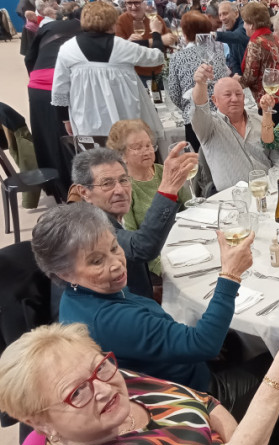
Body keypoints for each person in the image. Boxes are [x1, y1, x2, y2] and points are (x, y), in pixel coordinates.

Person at [29, 201, 279, 445]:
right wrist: (230, 275)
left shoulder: (78, 296)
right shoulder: (107, 319)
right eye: (96, 261)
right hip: (192, 397)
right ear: (64, 273)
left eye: (113, 247)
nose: (116, 264)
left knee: (236, 339)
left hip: (175, 370)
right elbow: (204, 344)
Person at [0, 321, 279, 445]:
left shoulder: (108, 379)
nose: (103, 389)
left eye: (100, 367)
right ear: (39, 422)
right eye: (77, 393)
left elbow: (204, 400)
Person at [69, 146, 196, 300]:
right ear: (84, 192)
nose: (120, 190)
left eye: (123, 180)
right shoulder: (91, 226)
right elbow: (142, 247)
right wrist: (168, 189)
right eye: (107, 184)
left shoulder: (110, 214)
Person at [51, 1, 166, 138]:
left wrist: (66, 120)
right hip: (125, 114)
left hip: (87, 117)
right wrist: (156, 33)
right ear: (113, 23)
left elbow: (60, 90)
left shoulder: (68, 48)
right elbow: (157, 57)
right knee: (127, 151)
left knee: (96, 156)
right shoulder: (122, 46)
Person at [106, 120, 192, 278]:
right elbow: (135, 243)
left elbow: (190, 209)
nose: (146, 151)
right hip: (156, 259)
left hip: (187, 244)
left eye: (148, 145)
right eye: (137, 147)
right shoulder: (124, 189)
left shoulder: (163, 172)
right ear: (122, 155)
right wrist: (163, 271)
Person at [192, 68, 279, 191]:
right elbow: (199, 109)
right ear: (215, 100)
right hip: (234, 199)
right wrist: (200, 84)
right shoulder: (209, 128)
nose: (235, 99)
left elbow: (278, 157)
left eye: (238, 94)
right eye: (227, 95)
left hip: (270, 191)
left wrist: (276, 183)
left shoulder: (260, 120)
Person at [24, 6, 80, 195]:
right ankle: (76, 189)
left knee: (49, 138)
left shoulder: (50, 27)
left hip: (38, 85)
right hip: (64, 85)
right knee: (73, 137)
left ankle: (57, 188)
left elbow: (29, 58)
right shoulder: (91, 33)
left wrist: (36, 78)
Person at [167, 11, 229, 152]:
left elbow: (175, 94)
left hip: (194, 118)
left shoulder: (177, 57)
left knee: (200, 164)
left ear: (184, 32)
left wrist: (188, 105)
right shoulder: (217, 53)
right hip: (220, 115)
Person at [115, 0, 176, 87]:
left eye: (137, 3)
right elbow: (118, 50)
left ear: (145, 3)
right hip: (135, 73)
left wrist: (173, 39)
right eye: (129, 3)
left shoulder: (156, 19)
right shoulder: (121, 21)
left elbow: (168, 43)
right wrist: (128, 42)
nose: (133, 7)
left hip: (158, 71)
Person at [240, 2, 279, 106]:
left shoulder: (256, 43)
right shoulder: (275, 39)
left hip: (267, 100)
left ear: (252, 25)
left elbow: (250, 78)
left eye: (244, 22)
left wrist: (237, 82)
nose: (243, 26)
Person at [214, 1, 248, 76]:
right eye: (220, 15)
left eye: (225, 13)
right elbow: (234, 58)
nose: (222, 18)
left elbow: (237, 36)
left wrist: (215, 35)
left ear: (236, 14)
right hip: (244, 79)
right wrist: (237, 77)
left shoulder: (244, 25)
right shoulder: (230, 29)